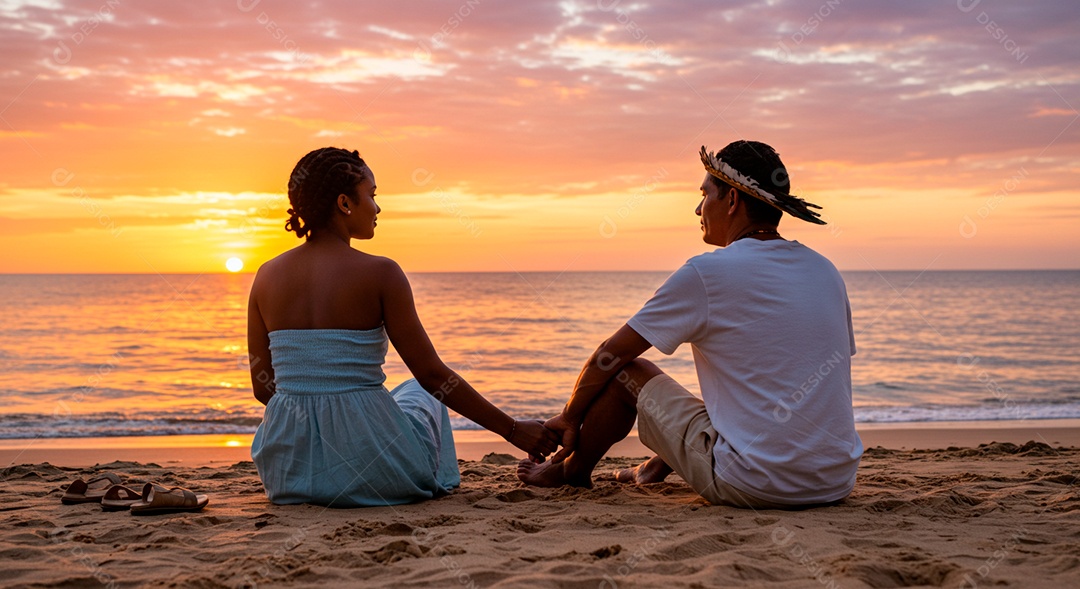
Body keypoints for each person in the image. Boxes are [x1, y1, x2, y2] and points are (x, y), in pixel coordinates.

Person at [518, 140, 863, 509]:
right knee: (747, 392)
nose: (698, 208)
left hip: (753, 483)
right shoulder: (825, 270)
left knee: (625, 373)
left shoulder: (708, 272)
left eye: (704, 195)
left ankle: (571, 470)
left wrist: (569, 417)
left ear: (732, 200)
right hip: (835, 480)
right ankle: (655, 465)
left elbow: (609, 355)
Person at [248, 147, 559, 507]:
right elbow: (432, 376)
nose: (377, 208)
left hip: (289, 476)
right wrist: (513, 429)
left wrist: (315, 416)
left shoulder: (265, 276)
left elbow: (264, 388)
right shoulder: (381, 273)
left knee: (394, 395)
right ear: (345, 203)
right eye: (372, 195)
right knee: (419, 392)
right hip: (377, 472)